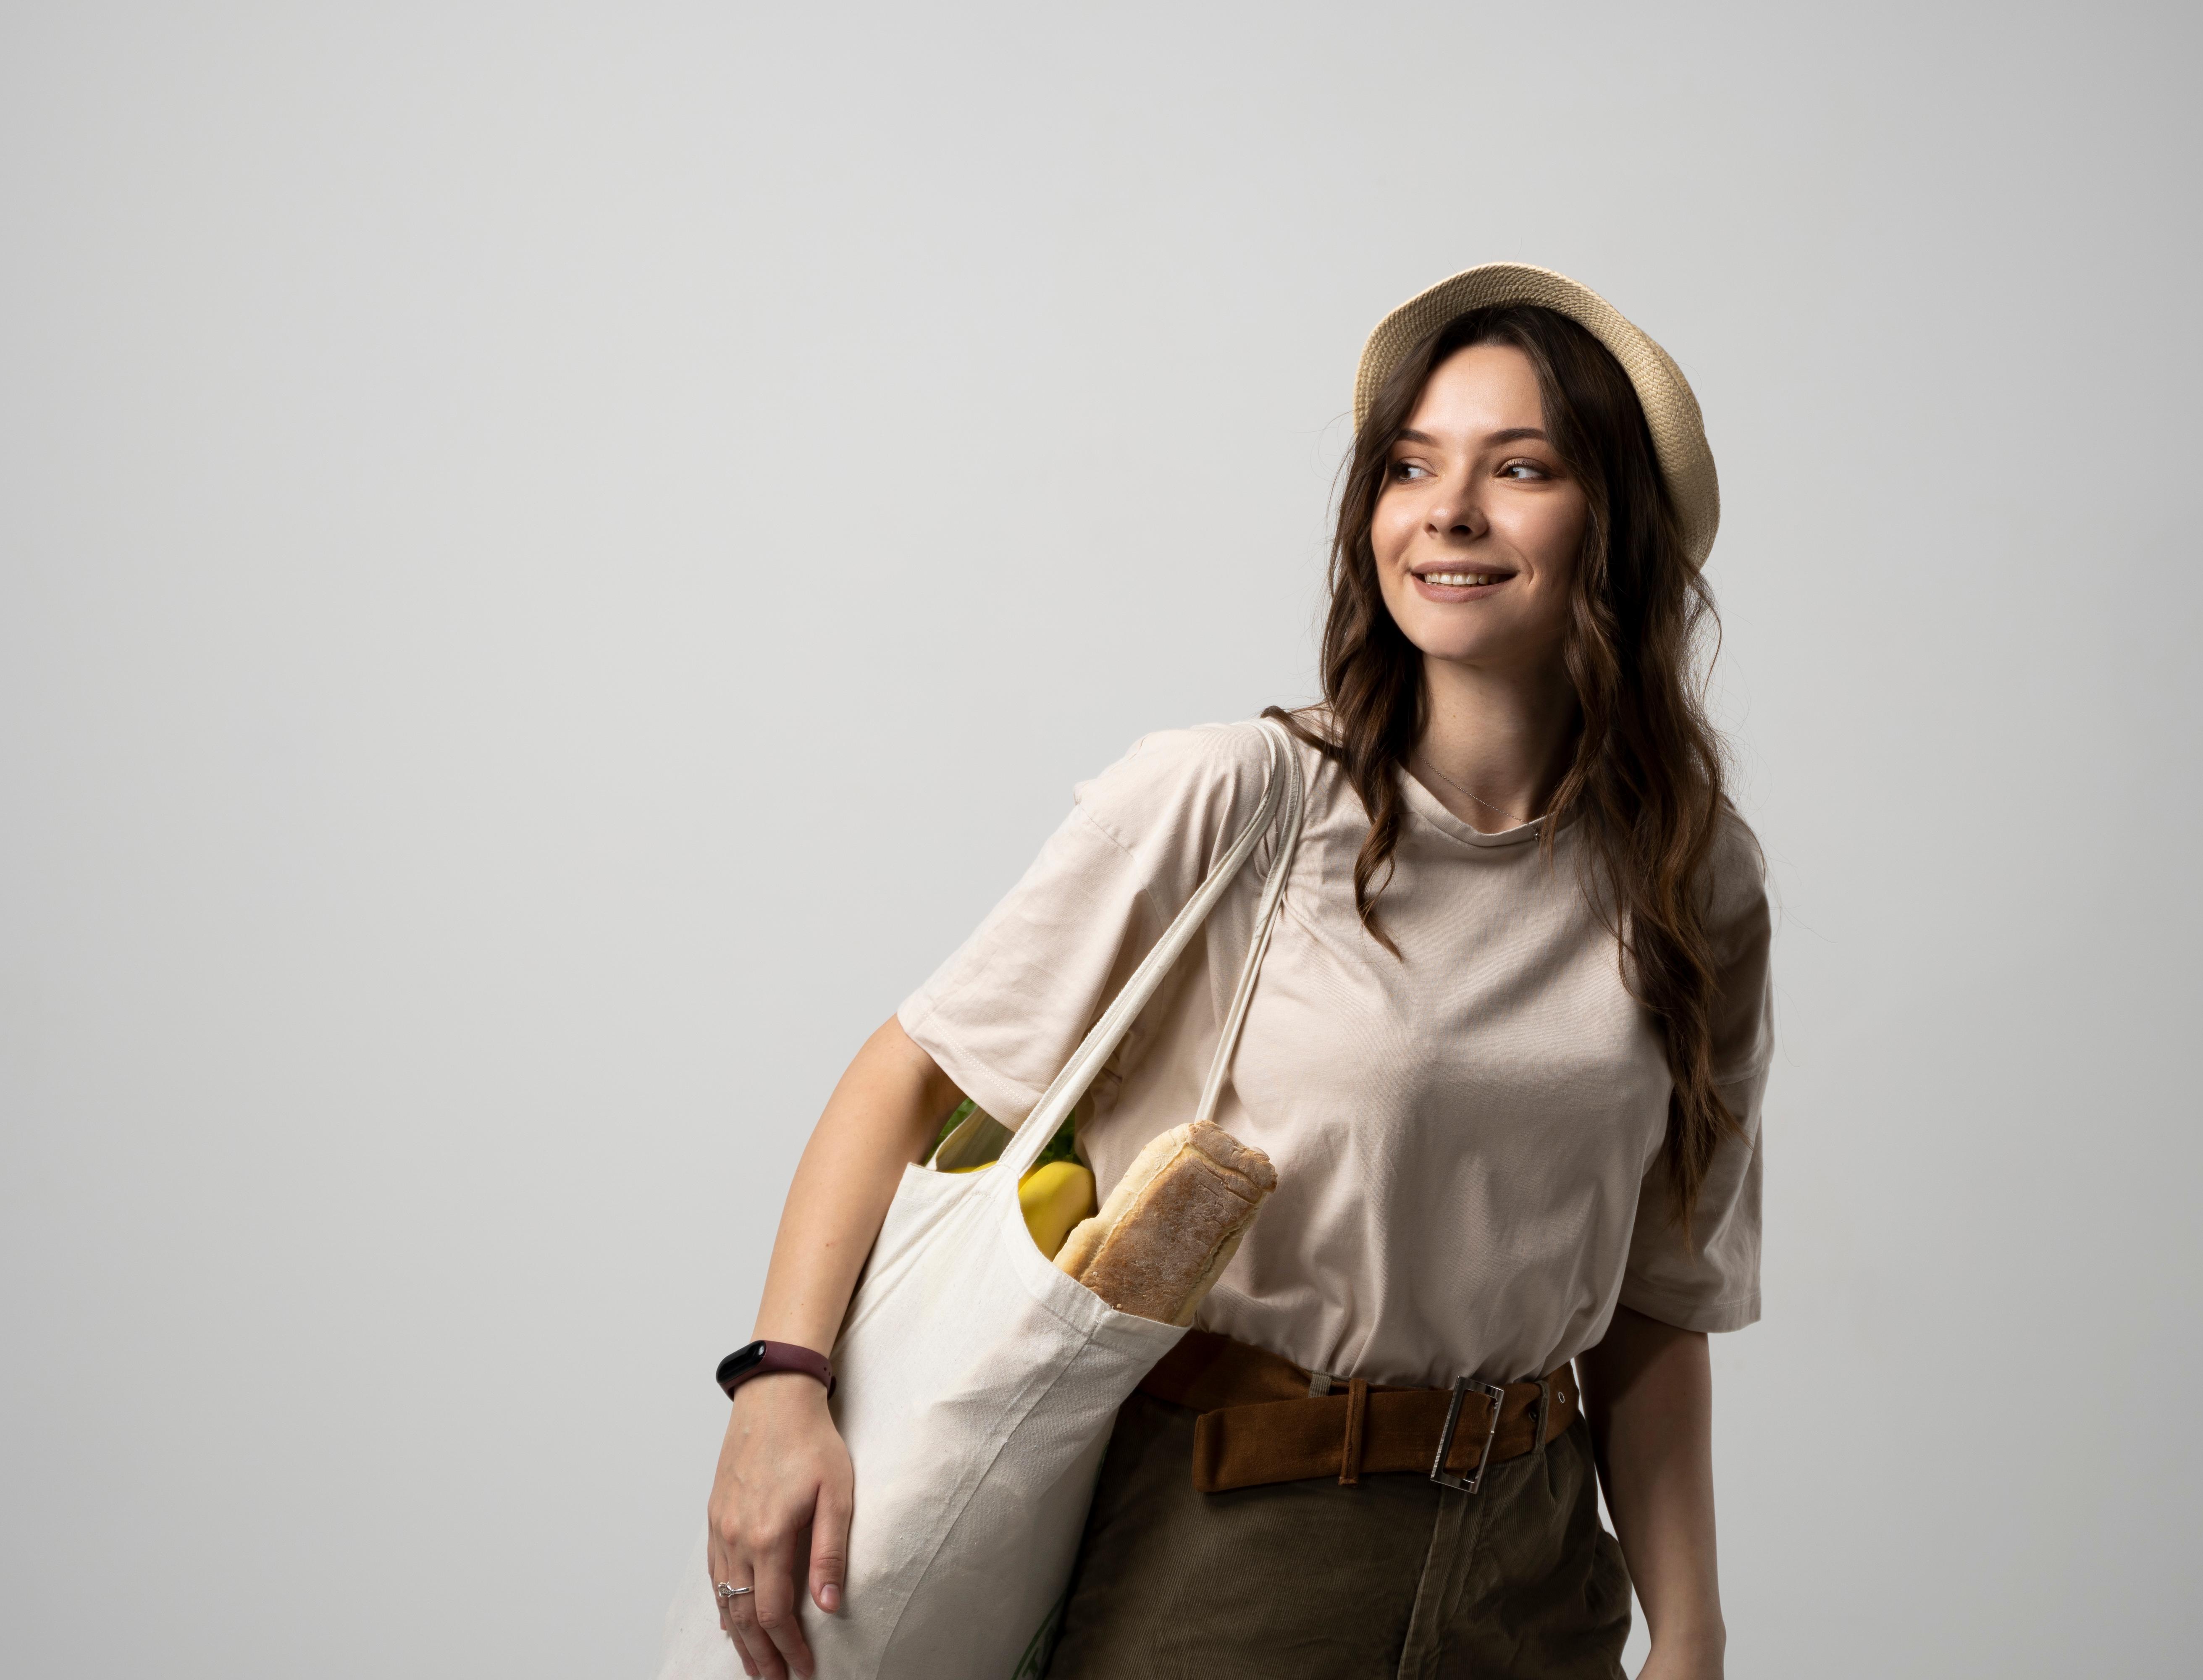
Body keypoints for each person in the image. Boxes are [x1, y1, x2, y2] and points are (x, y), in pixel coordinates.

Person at [701, 263, 1771, 1680]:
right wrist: (781, 1388)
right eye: (1408, 466)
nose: (1447, 511)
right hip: (1237, 1539)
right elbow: (911, 1071)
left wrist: (1688, 1632)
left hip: (1534, 1561)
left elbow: (1654, 1300)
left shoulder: (1694, 879)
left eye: (1519, 469)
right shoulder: (1238, 800)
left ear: (1618, 529)